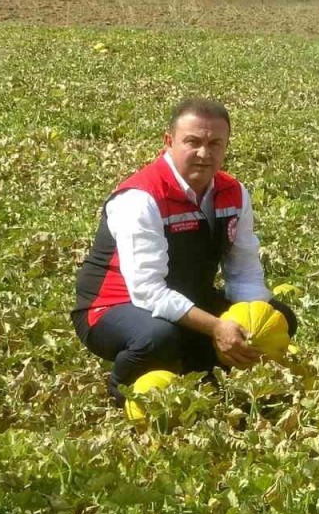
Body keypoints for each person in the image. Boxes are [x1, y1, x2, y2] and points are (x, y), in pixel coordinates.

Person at [71, 98, 296, 404]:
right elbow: (148, 291)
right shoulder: (140, 198)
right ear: (169, 142)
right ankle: (121, 393)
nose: (205, 153)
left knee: (280, 319)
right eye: (193, 142)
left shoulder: (233, 192)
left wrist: (252, 322)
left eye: (215, 143)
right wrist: (217, 326)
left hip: (186, 297)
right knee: (158, 338)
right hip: (113, 307)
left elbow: (243, 269)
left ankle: (207, 372)